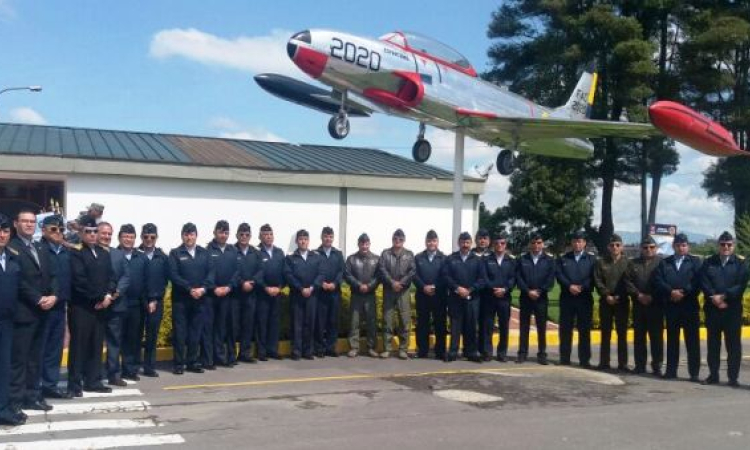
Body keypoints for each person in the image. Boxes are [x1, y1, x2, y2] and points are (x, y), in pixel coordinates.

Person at [8, 209, 57, 413]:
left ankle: (32, 396)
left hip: (43, 311)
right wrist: (38, 299)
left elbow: (53, 274)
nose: (29, 224)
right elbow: (18, 281)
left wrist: (54, 295)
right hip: (24, 311)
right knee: (20, 359)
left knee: (36, 357)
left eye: (32, 221)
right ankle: (15, 400)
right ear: (15, 224)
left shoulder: (40, 246)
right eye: (25, 221)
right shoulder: (11, 247)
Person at [68, 215, 116, 395]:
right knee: (79, 346)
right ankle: (74, 384)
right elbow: (79, 281)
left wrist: (108, 296)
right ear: (81, 233)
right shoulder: (76, 253)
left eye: (95, 231)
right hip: (82, 307)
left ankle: (93, 380)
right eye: (88, 232)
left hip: (101, 306)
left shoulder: (103, 253)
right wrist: (99, 297)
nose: (92, 235)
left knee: (96, 345)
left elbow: (111, 277)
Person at [700, 231, 749, 387]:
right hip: (713, 310)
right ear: (718, 246)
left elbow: (741, 285)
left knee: (733, 346)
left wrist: (724, 297)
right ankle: (713, 375)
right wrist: (713, 297)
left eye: (729, 244)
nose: (726, 247)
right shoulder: (709, 263)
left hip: (732, 310)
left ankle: (732, 378)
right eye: (723, 244)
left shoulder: (740, 264)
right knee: (713, 345)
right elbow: (704, 281)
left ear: (733, 246)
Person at [653, 233, 702, 381]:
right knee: (672, 340)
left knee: (692, 341)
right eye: (678, 245)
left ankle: (694, 373)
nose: (681, 248)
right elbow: (658, 280)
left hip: (689, 306)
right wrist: (671, 292)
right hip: (671, 306)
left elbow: (697, 281)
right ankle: (671, 371)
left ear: (688, 246)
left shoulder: (695, 262)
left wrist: (684, 292)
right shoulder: (665, 262)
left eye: (684, 245)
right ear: (674, 246)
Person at [169, 223, 213, 374]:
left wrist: (203, 289)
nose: (189, 237)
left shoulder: (204, 253)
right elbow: (174, 275)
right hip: (181, 300)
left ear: (196, 235)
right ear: (182, 236)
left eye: (192, 234)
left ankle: (192, 362)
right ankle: (179, 364)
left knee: (196, 332)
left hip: (200, 298)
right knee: (180, 333)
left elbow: (211, 273)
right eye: (186, 234)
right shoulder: (175, 253)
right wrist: (189, 289)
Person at [39, 215, 73, 399]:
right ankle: (35, 386)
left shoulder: (66, 251)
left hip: (60, 306)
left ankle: (50, 385)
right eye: (54, 229)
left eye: (61, 229)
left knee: (55, 348)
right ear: (43, 230)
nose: (58, 232)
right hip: (42, 306)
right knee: (40, 348)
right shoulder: (39, 249)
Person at [556, 231, 596, 367]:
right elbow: (559, 275)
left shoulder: (591, 259)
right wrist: (569, 286)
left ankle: (584, 360)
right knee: (565, 330)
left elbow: (593, 277)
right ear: (571, 243)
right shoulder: (564, 258)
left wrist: (582, 287)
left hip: (584, 298)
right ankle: (564, 358)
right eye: (574, 241)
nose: (577, 244)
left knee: (584, 330)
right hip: (567, 298)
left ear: (584, 243)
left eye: (580, 241)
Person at [443, 232, 484, 362]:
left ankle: (470, 352)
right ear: (458, 243)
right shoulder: (451, 259)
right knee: (455, 326)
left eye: (467, 242)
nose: (465, 245)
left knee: (471, 325)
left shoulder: (477, 260)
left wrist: (470, 290)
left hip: (472, 298)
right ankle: (453, 352)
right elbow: (446, 276)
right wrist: (457, 288)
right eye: (462, 242)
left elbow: (482, 279)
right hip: (455, 298)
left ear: (471, 243)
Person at [98, 222, 131, 387]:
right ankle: (92, 373)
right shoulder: (89, 252)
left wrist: (114, 295)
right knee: (94, 341)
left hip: (115, 305)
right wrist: (101, 296)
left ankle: (114, 374)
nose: (106, 236)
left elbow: (126, 277)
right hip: (95, 306)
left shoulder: (118, 254)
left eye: (109, 234)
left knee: (114, 342)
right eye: (103, 233)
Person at [626, 236, 664, 376]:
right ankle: (640, 365)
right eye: (645, 247)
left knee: (656, 337)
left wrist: (652, 296)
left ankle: (657, 366)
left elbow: (664, 282)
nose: (648, 250)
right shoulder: (633, 263)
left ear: (656, 248)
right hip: (639, 305)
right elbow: (627, 282)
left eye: (651, 247)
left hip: (656, 305)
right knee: (639, 337)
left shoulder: (662, 263)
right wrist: (638, 295)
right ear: (641, 249)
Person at [594, 234, 632, 372]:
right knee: (605, 333)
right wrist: (606, 295)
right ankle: (604, 362)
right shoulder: (601, 262)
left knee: (622, 334)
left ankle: (623, 363)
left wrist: (619, 296)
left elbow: (629, 281)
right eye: (612, 245)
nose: (614, 247)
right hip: (606, 301)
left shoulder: (628, 262)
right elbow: (597, 280)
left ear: (622, 246)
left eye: (617, 245)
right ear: (608, 247)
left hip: (622, 302)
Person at [515, 233, 555, 365]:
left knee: (541, 327)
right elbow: (518, 277)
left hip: (541, 298)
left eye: (539, 243)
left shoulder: (549, 260)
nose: (536, 245)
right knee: (524, 326)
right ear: (529, 244)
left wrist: (539, 291)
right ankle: (522, 353)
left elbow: (550, 279)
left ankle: (542, 354)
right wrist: (527, 291)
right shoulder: (522, 259)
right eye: (533, 243)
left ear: (543, 244)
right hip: (525, 297)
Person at [0, 213, 24, 426]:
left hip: (6, 322)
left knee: (4, 366)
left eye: (6, 231)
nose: (2, 235)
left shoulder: (12, 256)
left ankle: (3, 409)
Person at [284, 229, 323, 360]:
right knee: (297, 324)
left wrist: (312, 287)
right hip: (297, 295)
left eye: (305, 239)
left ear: (308, 241)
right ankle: (296, 351)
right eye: (300, 239)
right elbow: (288, 275)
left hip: (312, 295)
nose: (303, 241)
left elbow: (320, 274)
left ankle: (308, 351)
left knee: (310, 323)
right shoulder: (290, 258)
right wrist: (301, 288)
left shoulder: (316, 257)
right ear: (296, 241)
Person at [378, 228, 416, 359]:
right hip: (389, 290)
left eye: (400, 239)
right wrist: (392, 283)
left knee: (404, 320)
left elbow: (412, 271)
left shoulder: (409, 254)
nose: (397, 241)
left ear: (404, 240)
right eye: (395, 239)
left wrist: (401, 283)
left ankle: (403, 349)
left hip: (403, 291)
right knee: (387, 320)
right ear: (392, 239)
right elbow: (382, 269)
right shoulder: (385, 253)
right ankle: (387, 348)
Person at [117, 224, 148, 381]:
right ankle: (115, 371)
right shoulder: (113, 254)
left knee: (134, 339)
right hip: (117, 304)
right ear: (119, 238)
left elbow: (146, 280)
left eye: (131, 237)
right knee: (117, 339)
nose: (128, 240)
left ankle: (130, 370)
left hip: (136, 304)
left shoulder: (141, 257)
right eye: (125, 237)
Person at [207, 220, 240, 368]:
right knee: (216, 327)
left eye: (226, 232)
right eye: (221, 232)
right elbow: (206, 272)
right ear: (214, 232)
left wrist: (229, 287)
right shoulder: (208, 250)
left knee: (230, 327)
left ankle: (231, 357)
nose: (223, 235)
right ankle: (217, 357)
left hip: (229, 294)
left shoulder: (233, 250)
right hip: (213, 295)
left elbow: (237, 272)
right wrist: (214, 288)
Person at [479, 231, 516, 362]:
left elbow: (513, 279)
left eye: (502, 243)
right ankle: (487, 352)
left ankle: (502, 353)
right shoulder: (486, 259)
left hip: (504, 298)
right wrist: (493, 288)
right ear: (493, 245)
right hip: (489, 297)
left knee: (504, 326)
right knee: (487, 326)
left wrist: (505, 289)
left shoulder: (511, 261)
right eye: (497, 243)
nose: (499, 245)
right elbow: (484, 277)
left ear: (506, 245)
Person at [344, 233, 380, 358]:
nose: (364, 246)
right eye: (362, 243)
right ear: (358, 244)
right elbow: (347, 275)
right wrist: (359, 285)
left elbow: (378, 276)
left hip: (370, 295)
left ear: (369, 244)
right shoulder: (351, 259)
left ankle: (371, 347)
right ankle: (354, 347)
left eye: (366, 243)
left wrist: (369, 286)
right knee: (354, 322)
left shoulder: (376, 259)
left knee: (371, 322)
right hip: (356, 294)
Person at [140, 223, 168, 377]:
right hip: (138, 302)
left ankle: (149, 366)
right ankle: (130, 366)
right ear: (141, 237)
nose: (149, 240)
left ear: (156, 238)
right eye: (146, 237)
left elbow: (165, 281)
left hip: (156, 302)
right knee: (134, 335)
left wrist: (155, 299)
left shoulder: (162, 257)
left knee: (152, 335)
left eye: (152, 237)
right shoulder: (136, 254)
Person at [254, 224, 286, 361]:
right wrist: (266, 287)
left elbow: (285, 272)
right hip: (262, 293)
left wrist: (279, 287)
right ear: (260, 237)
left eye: (270, 234)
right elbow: (255, 273)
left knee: (274, 322)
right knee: (262, 322)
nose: (268, 236)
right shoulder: (256, 252)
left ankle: (272, 350)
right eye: (265, 234)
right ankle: (262, 351)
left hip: (277, 292)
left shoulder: (279, 252)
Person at [414, 230, 447, 359]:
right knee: (422, 324)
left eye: (433, 241)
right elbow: (414, 275)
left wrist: (434, 287)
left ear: (437, 242)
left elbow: (446, 276)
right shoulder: (418, 257)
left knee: (440, 324)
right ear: (425, 242)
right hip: (422, 296)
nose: (431, 243)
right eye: (429, 241)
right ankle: (422, 350)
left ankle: (440, 351)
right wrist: (423, 287)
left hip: (439, 296)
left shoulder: (444, 258)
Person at [315, 226, 345, 358]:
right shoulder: (315, 253)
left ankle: (331, 347)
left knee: (333, 321)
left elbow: (342, 271)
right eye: (326, 236)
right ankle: (319, 348)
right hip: (320, 292)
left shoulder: (338, 254)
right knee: (320, 321)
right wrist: (321, 283)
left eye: (330, 237)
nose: (328, 239)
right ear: (321, 237)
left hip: (334, 292)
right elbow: (313, 271)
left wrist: (334, 283)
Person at [235, 223, 261, 363]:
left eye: (246, 234)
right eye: (241, 234)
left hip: (251, 294)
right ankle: (231, 354)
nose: (244, 237)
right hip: (235, 294)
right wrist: (241, 283)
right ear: (237, 235)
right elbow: (231, 270)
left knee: (248, 324)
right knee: (233, 325)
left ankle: (245, 354)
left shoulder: (255, 252)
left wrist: (252, 282)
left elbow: (260, 271)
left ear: (250, 236)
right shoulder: (232, 250)